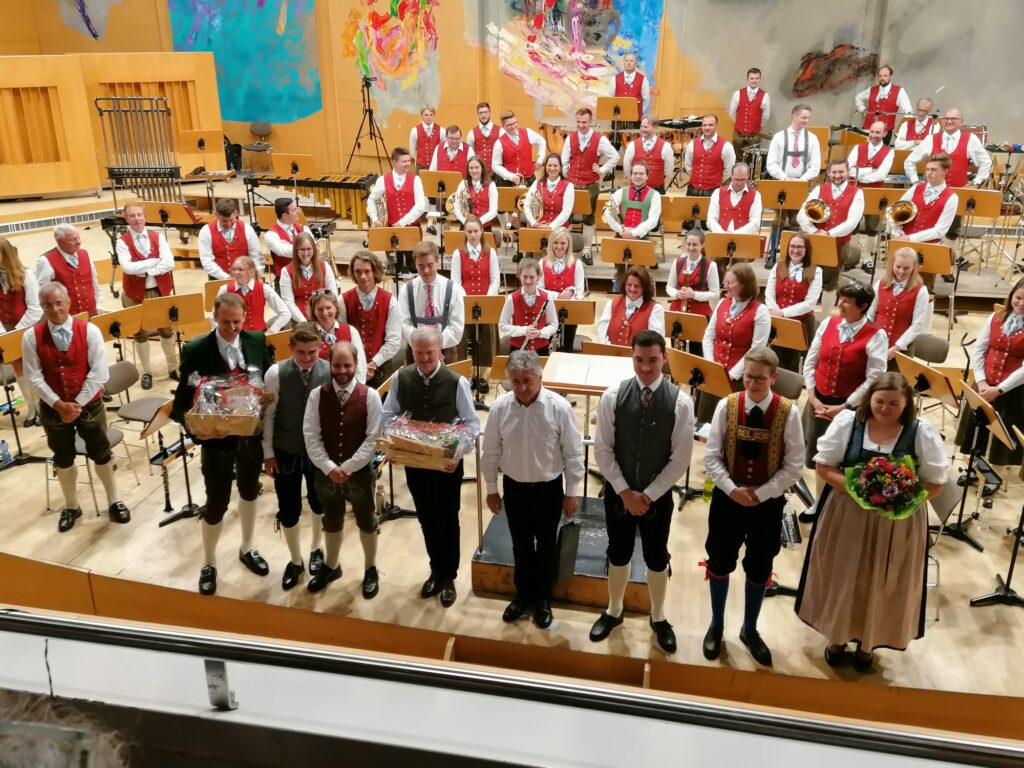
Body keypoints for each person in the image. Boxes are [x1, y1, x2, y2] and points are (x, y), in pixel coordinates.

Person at [796, 373, 948, 671]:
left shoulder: (920, 432)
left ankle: (869, 642)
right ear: (870, 399)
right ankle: (837, 637)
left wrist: (901, 501)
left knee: (883, 581)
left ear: (907, 403)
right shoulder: (849, 423)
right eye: (879, 401)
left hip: (897, 522)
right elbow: (824, 466)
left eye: (894, 403)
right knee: (843, 577)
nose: (885, 408)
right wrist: (861, 490)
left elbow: (935, 483)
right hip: (847, 513)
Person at [591, 330, 694, 653]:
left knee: (656, 556)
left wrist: (648, 494)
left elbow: (681, 458)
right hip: (619, 494)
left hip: (657, 499)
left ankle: (658, 616)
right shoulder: (612, 396)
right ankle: (614, 610)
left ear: (665, 358)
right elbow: (603, 449)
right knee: (617, 552)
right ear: (631, 357)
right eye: (639, 360)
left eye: (653, 360)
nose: (646, 368)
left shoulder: (681, 403)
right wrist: (624, 492)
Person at [702, 348, 804, 667]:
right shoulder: (727, 405)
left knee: (760, 565)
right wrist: (732, 489)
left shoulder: (788, 412)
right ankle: (716, 624)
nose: (752, 384)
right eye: (748, 377)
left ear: (774, 377)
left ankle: (750, 628)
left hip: (767, 504)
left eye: (760, 378)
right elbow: (712, 456)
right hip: (728, 499)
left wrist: (762, 493)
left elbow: (795, 465)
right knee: (720, 560)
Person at [171, 292, 274, 596]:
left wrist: (265, 401)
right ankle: (209, 562)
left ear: (245, 319)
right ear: (215, 318)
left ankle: (247, 546)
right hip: (215, 440)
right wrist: (198, 434)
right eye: (225, 322)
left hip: (250, 437)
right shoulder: (196, 349)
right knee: (216, 503)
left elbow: (268, 382)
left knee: (250, 491)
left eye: (237, 322)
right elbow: (180, 403)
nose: (231, 328)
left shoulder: (257, 340)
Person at [482, 349, 584, 628]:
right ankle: (523, 594)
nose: (521, 388)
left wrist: (571, 492)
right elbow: (491, 451)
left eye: (527, 381)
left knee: (547, 545)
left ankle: (542, 598)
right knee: (521, 544)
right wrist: (491, 488)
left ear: (540, 377)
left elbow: (573, 453)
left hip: (548, 489)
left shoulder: (558, 408)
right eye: (515, 382)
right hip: (514, 488)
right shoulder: (500, 408)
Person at [382, 326, 481, 607]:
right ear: (411, 352)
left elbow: (472, 424)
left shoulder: (457, 382)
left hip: (446, 465)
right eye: (419, 352)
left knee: (448, 519)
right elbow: (388, 416)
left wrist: (456, 453)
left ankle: (449, 575)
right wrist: (395, 443)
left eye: (430, 352)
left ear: (441, 352)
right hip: (415, 463)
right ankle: (436, 569)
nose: (424, 358)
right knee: (426, 518)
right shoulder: (400, 377)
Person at [22, 282, 130, 533]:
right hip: (53, 408)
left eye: (58, 303)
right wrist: (59, 405)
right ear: (42, 307)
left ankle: (114, 500)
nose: (54, 309)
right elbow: (33, 377)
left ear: (68, 303)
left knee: (101, 453)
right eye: (47, 305)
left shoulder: (89, 330)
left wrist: (76, 405)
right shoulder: (31, 336)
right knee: (63, 457)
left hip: (89, 405)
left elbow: (99, 373)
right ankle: (72, 506)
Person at [303, 340, 384, 598]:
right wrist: (328, 467)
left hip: (359, 473)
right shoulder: (317, 395)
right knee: (331, 519)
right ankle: (331, 565)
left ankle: (370, 568)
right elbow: (311, 435)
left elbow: (373, 438)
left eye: (347, 365)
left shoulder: (370, 396)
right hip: (325, 473)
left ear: (356, 364)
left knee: (366, 520)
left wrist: (347, 467)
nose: (342, 371)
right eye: (337, 365)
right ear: (330, 365)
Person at [801, 282, 887, 521]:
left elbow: (874, 378)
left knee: (842, 459)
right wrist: (812, 396)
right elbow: (811, 361)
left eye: (846, 301)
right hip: (819, 401)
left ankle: (837, 506)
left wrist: (845, 406)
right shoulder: (828, 323)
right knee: (820, 455)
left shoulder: (876, 335)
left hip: (850, 409)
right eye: (840, 298)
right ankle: (818, 502)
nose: (839, 304)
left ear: (863, 307)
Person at [261, 323, 331, 591]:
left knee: (318, 502)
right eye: (301, 352)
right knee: (288, 508)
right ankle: (294, 560)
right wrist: (268, 454)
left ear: (320, 348)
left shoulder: (330, 371)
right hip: (285, 448)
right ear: (290, 348)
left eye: (313, 352)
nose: (307, 358)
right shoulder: (275, 373)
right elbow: (269, 415)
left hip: (319, 451)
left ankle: (316, 548)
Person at [955, 277, 1024, 468]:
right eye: (1018, 298)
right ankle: (973, 468)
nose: (1021, 303)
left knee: (1001, 439)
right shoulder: (996, 317)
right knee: (976, 430)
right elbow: (980, 349)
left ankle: (995, 474)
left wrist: (1000, 389)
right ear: (1011, 296)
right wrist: (981, 381)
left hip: (1012, 390)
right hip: (984, 383)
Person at [116, 202, 177, 389]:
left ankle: (173, 368)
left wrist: (148, 271)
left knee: (167, 330)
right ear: (126, 218)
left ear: (144, 216)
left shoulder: (157, 237)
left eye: (139, 215)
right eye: (132, 216)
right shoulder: (122, 241)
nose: (136, 219)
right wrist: (154, 261)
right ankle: (147, 372)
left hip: (160, 290)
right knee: (139, 333)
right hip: (135, 293)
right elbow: (127, 267)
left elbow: (169, 263)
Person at [700, 263, 771, 422]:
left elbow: (756, 350)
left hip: (739, 379)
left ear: (744, 284)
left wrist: (731, 375)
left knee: (732, 424)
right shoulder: (722, 303)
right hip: (714, 375)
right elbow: (708, 336)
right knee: (706, 424)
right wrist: (711, 365)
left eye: (730, 282)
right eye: (725, 282)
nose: (725, 286)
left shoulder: (760, 311)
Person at [796, 158, 865, 318]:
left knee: (831, 283)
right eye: (834, 172)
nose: (837, 175)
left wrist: (829, 234)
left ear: (848, 172)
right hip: (815, 241)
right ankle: (803, 315)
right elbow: (801, 215)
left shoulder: (857, 193)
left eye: (841, 172)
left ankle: (824, 319)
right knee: (807, 278)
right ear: (828, 173)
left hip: (838, 243)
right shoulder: (819, 189)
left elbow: (852, 222)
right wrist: (814, 231)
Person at [891, 153, 959, 291]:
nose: (928, 173)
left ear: (945, 171)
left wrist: (910, 238)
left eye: (933, 170)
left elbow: (940, 231)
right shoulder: (915, 189)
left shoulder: (952, 198)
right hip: (904, 246)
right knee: (896, 286)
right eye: (927, 169)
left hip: (928, 249)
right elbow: (895, 212)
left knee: (924, 289)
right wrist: (896, 231)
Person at [561, 107, 618, 266]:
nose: (581, 125)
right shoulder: (570, 138)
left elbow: (614, 156)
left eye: (584, 122)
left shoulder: (600, 140)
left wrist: (602, 170)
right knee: (567, 216)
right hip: (571, 184)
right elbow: (564, 160)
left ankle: (586, 250)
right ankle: (565, 249)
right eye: (578, 122)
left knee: (589, 217)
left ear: (591, 122)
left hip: (590, 185)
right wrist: (567, 176)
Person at [339, 250, 401, 389]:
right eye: (358, 271)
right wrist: (358, 366)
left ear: (375, 272)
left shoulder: (390, 301)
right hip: (351, 367)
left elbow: (394, 341)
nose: (362, 276)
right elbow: (341, 338)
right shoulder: (343, 300)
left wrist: (373, 363)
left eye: (367, 271)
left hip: (381, 366)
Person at [450, 216, 499, 384]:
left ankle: (483, 376)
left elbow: (495, 280)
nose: (472, 235)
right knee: (463, 338)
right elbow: (456, 281)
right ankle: (465, 376)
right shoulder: (458, 254)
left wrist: (486, 300)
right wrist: (467, 299)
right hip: (464, 303)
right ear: (465, 232)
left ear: (482, 231)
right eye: (469, 231)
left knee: (486, 338)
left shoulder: (490, 252)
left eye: (476, 231)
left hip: (486, 302)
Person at [0, 237, 42, 426]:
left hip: (27, 329)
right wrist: (4, 334)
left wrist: (17, 332)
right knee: (19, 369)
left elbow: (35, 309)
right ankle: (32, 408)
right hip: (7, 332)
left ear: (6, 254)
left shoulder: (27, 275)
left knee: (33, 368)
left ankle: (41, 408)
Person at [399, 241, 465, 361]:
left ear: (437, 261)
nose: (426, 270)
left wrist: (434, 346)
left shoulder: (453, 289)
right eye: (421, 266)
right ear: (415, 264)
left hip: (445, 352)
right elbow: (404, 324)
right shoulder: (406, 290)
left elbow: (456, 327)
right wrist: (423, 346)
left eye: (430, 265)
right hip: (416, 351)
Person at [765, 233, 822, 372]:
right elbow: (769, 294)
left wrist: (783, 313)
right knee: (776, 360)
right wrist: (776, 312)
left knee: (798, 364)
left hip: (802, 323)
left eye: (800, 247)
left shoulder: (816, 271)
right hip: (778, 322)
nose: (795, 250)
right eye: (792, 246)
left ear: (807, 249)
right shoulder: (778, 266)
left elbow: (810, 303)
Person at [366, 147, 426, 275]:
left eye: (409, 161)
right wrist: (375, 219)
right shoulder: (382, 180)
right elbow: (371, 200)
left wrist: (401, 223)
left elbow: (420, 206)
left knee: (414, 268)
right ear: (394, 162)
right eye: (404, 161)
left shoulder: (416, 180)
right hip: (391, 232)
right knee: (395, 269)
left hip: (411, 230)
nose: (408, 164)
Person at [866, 247, 930, 369]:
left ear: (914, 267)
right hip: (875, 344)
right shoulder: (880, 284)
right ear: (892, 265)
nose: (901, 271)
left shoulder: (921, 291)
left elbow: (917, 324)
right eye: (898, 267)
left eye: (906, 268)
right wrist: (869, 339)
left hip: (901, 349)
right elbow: (870, 314)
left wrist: (897, 347)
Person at [904, 108, 991, 194]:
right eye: (946, 118)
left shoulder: (971, 139)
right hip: (932, 193)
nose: (949, 121)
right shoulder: (930, 139)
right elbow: (909, 161)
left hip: (959, 193)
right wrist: (915, 182)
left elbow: (985, 162)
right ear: (942, 121)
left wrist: (976, 183)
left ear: (961, 121)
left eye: (953, 118)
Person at [666, 229, 719, 355]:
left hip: (699, 314)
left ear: (702, 245)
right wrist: (677, 293)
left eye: (695, 244)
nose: (691, 248)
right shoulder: (678, 262)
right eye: (688, 244)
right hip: (677, 311)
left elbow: (715, 293)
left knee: (698, 352)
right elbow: (669, 287)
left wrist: (694, 294)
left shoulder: (711, 265)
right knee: (677, 350)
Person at [706, 162, 763, 278]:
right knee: (716, 268)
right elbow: (711, 219)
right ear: (731, 176)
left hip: (743, 241)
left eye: (743, 180)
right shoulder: (718, 193)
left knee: (740, 272)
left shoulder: (756, 195)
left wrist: (736, 235)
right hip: (720, 238)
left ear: (748, 178)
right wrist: (723, 235)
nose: (739, 183)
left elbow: (755, 222)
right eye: (736, 179)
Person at [848, 121, 895, 255]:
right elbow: (850, 170)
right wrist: (869, 170)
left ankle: (868, 258)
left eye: (877, 132)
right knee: (852, 223)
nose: (873, 135)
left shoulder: (889, 152)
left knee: (873, 226)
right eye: (872, 132)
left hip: (875, 192)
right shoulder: (858, 147)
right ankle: (853, 255)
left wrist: (860, 175)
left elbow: (881, 175)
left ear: (885, 133)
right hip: (854, 191)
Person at [35, 224, 102, 317]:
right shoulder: (45, 260)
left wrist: (99, 305)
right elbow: (41, 292)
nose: (78, 242)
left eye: (78, 238)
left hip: (91, 313)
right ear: (59, 241)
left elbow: (94, 283)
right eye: (73, 239)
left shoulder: (85, 254)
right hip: (65, 318)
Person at [537, 227, 585, 353]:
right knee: (547, 349)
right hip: (548, 310)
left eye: (563, 243)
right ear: (551, 244)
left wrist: (569, 300)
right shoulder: (542, 262)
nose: (559, 246)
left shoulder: (577, 264)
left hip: (569, 313)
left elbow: (580, 292)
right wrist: (558, 296)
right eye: (556, 243)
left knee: (566, 348)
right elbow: (539, 290)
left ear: (568, 244)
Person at [215, 257, 290, 333]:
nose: (236, 272)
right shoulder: (225, 289)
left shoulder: (264, 288)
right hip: (234, 336)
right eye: (234, 269)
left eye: (240, 269)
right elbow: (215, 315)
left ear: (251, 271)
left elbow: (285, 313)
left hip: (259, 334)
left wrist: (271, 331)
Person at [499, 258, 557, 355]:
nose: (528, 281)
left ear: (538, 277)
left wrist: (540, 333)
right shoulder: (511, 298)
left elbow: (554, 324)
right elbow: (502, 325)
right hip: (518, 350)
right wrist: (523, 330)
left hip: (541, 350)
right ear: (519, 276)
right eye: (525, 277)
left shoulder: (547, 298)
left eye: (532, 277)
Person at [597, 266, 665, 346]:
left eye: (637, 286)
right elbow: (601, 333)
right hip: (611, 353)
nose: (632, 289)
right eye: (629, 285)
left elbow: (656, 343)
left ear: (644, 287)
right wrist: (610, 350)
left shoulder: (656, 309)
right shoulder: (611, 304)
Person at [197, 199, 263, 281]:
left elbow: (256, 256)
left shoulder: (247, 229)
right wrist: (226, 278)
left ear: (236, 213)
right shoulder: (206, 231)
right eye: (224, 221)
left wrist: (256, 276)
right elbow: (207, 260)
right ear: (216, 215)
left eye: (231, 220)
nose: (228, 224)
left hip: (246, 279)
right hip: (218, 279)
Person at [309, 291, 368, 383]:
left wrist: (356, 388)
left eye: (328, 308)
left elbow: (360, 365)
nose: (325, 313)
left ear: (336, 308)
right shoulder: (308, 333)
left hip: (346, 385)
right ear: (314, 311)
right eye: (320, 309)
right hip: (317, 386)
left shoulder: (350, 331)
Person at [280, 231, 337, 323]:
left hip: (324, 316)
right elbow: (289, 303)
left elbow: (333, 294)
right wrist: (304, 322)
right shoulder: (286, 271)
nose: (306, 253)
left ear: (314, 249)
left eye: (309, 249)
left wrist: (326, 316)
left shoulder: (325, 266)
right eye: (302, 249)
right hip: (299, 319)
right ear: (296, 251)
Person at [854, 65, 913, 141]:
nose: (882, 78)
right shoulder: (872, 89)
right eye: (880, 76)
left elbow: (908, 112)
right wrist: (863, 110)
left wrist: (901, 130)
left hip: (885, 132)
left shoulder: (899, 91)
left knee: (881, 149)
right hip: (867, 129)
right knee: (864, 148)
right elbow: (858, 97)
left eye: (885, 75)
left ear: (891, 77)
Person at [766, 104, 821, 183]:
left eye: (808, 118)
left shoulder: (812, 138)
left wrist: (802, 180)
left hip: (802, 183)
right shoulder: (778, 137)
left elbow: (815, 165)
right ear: (795, 116)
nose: (807, 121)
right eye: (804, 117)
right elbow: (771, 163)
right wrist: (785, 178)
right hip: (780, 182)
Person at [684, 114, 736, 198]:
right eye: (704, 125)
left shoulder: (727, 146)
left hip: (714, 192)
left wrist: (716, 180)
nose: (707, 128)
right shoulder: (692, 144)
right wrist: (695, 177)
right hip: (692, 189)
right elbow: (688, 165)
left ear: (717, 126)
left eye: (711, 125)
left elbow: (729, 169)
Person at [491, 110, 546, 188]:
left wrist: (540, 160)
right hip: (508, 183)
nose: (513, 126)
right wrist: (511, 176)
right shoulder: (499, 143)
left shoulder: (528, 132)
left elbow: (542, 142)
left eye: (515, 123)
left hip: (530, 180)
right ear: (503, 126)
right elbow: (495, 165)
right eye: (509, 125)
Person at [622, 116, 674, 194]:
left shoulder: (665, 146)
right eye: (641, 126)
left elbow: (669, 169)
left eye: (646, 127)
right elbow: (627, 167)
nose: (643, 129)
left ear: (655, 127)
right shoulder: (632, 145)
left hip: (657, 189)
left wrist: (657, 179)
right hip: (636, 189)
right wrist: (634, 180)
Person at [523, 154, 575, 231]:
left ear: (560, 167)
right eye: (549, 165)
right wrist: (534, 223)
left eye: (555, 165)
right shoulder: (537, 183)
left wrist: (550, 226)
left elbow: (566, 212)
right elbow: (526, 205)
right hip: (538, 226)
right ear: (545, 167)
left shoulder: (568, 186)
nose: (552, 168)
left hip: (559, 228)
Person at [263, 197, 309, 283]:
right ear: (285, 215)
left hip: (305, 276)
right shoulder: (271, 234)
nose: (298, 212)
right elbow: (284, 251)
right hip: (284, 280)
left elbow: (314, 248)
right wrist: (307, 248)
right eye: (294, 210)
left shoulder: (303, 228)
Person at [728, 67, 771, 157]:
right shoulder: (737, 93)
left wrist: (755, 125)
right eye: (752, 78)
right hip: (738, 133)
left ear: (760, 79)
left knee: (752, 159)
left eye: (756, 78)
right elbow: (732, 112)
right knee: (737, 157)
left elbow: (765, 116)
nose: (754, 81)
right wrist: (740, 123)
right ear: (747, 79)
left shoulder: (765, 95)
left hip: (755, 135)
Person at [452, 156, 499, 234]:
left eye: (477, 167)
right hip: (466, 227)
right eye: (471, 168)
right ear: (468, 169)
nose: (474, 171)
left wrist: (478, 222)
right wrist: (465, 221)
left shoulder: (491, 185)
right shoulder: (463, 184)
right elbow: (457, 208)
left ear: (482, 168)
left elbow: (493, 211)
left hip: (484, 227)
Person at [608, 51, 649, 120]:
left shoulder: (643, 80)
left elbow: (646, 100)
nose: (629, 63)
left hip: (636, 118)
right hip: (618, 118)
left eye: (631, 61)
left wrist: (638, 112)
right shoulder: (614, 79)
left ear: (635, 63)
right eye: (627, 61)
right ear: (623, 62)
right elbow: (611, 98)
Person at [409, 105, 444, 171]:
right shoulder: (414, 131)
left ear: (434, 116)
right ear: (422, 116)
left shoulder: (441, 130)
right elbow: (412, 151)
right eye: (426, 115)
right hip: (420, 167)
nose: (429, 117)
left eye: (431, 115)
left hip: (436, 166)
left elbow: (443, 150)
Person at [466, 101, 498, 172]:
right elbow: (470, 155)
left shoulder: (501, 131)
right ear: (477, 114)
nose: (483, 115)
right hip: (479, 172)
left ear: (490, 113)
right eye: (481, 113)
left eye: (485, 112)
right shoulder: (471, 133)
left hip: (497, 173)